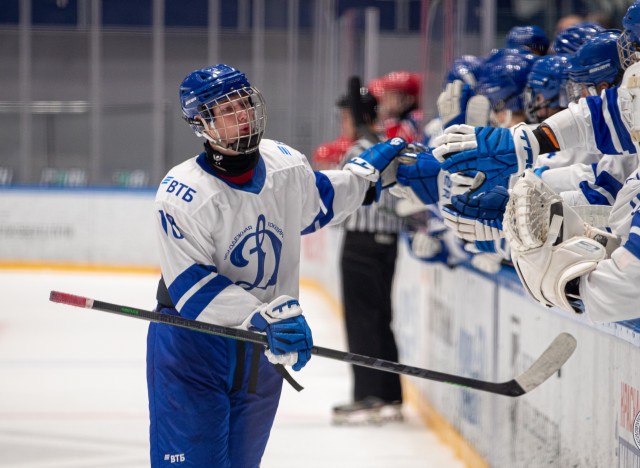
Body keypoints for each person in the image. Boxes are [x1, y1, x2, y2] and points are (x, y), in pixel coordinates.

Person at [148, 63, 409, 467]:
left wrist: (369, 175)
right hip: (194, 349)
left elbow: (321, 200)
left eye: (244, 103)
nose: (242, 114)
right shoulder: (182, 193)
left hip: (264, 348)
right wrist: (262, 317)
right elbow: (191, 289)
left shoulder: (285, 165)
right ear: (202, 123)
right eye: (227, 109)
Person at [330, 86, 405, 425]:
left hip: (360, 244)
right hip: (387, 242)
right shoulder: (386, 147)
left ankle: (368, 395)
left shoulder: (358, 151)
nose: (342, 123)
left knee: (362, 320)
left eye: (346, 116)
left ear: (359, 117)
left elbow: (340, 204)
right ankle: (389, 393)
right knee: (379, 318)